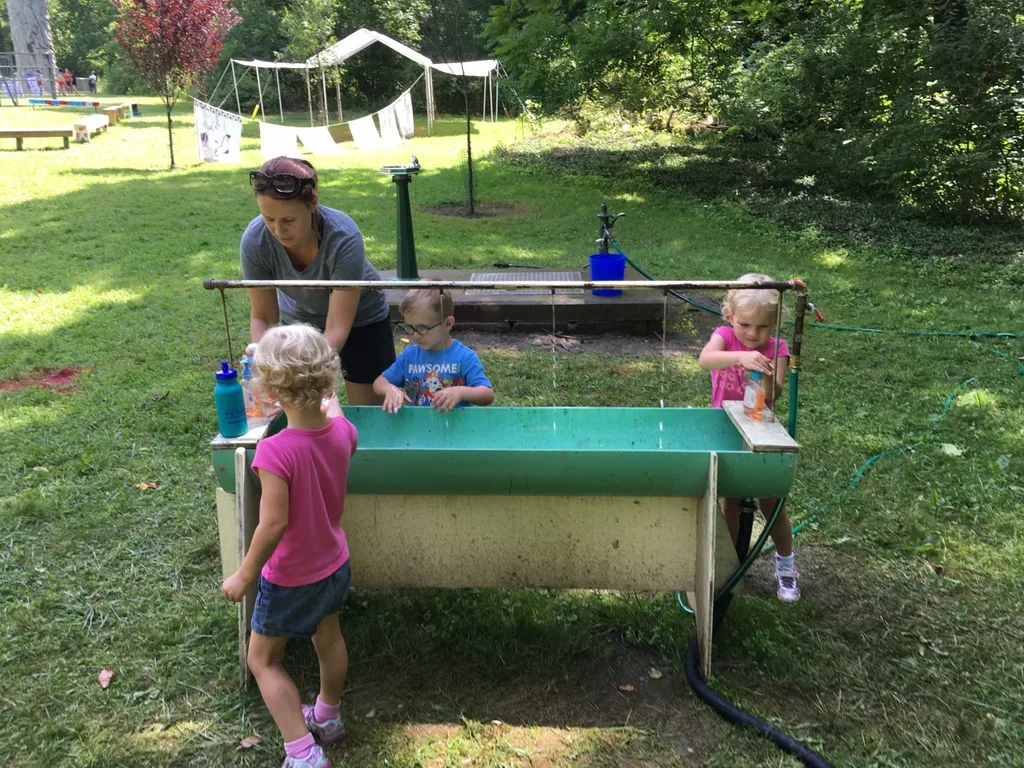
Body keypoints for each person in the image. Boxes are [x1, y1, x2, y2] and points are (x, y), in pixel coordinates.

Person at [221, 324, 355, 768]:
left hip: (293, 574)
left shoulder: (275, 452)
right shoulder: (344, 432)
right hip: (334, 564)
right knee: (328, 639)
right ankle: (327, 717)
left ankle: (302, 752)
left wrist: (245, 574)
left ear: (270, 390)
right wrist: (327, 396)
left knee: (262, 660)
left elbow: (274, 521)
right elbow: (332, 414)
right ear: (328, 380)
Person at [241, 156, 395, 406]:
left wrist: (303, 372)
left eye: (288, 220)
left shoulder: (344, 236)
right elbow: (263, 318)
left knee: (369, 412)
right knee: (302, 411)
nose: (279, 231)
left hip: (362, 320)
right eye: (269, 219)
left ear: (313, 202)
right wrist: (268, 360)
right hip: (299, 325)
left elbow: (337, 328)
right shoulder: (255, 240)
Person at [697, 273, 799, 602]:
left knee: (771, 503)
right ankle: (729, 568)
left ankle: (786, 567)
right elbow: (705, 359)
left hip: (760, 429)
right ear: (730, 317)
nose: (753, 334)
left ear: (775, 324)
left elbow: (778, 392)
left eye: (762, 327)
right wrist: (739, 356)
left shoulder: (778, 347)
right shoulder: (725, 336)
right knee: (731, 501)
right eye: (745, 325)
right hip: (725, 427)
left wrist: (763, 371)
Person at [374, 288, 494, 412]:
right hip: (418, 426)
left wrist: (461, 392)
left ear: (447, 324)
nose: (415, 335)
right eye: (410, 327)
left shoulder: (465, 357)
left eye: (422, 328)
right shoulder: (409, 355)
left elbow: (487, 394)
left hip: (455, 427)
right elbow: (379, 383)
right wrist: (389, 389)